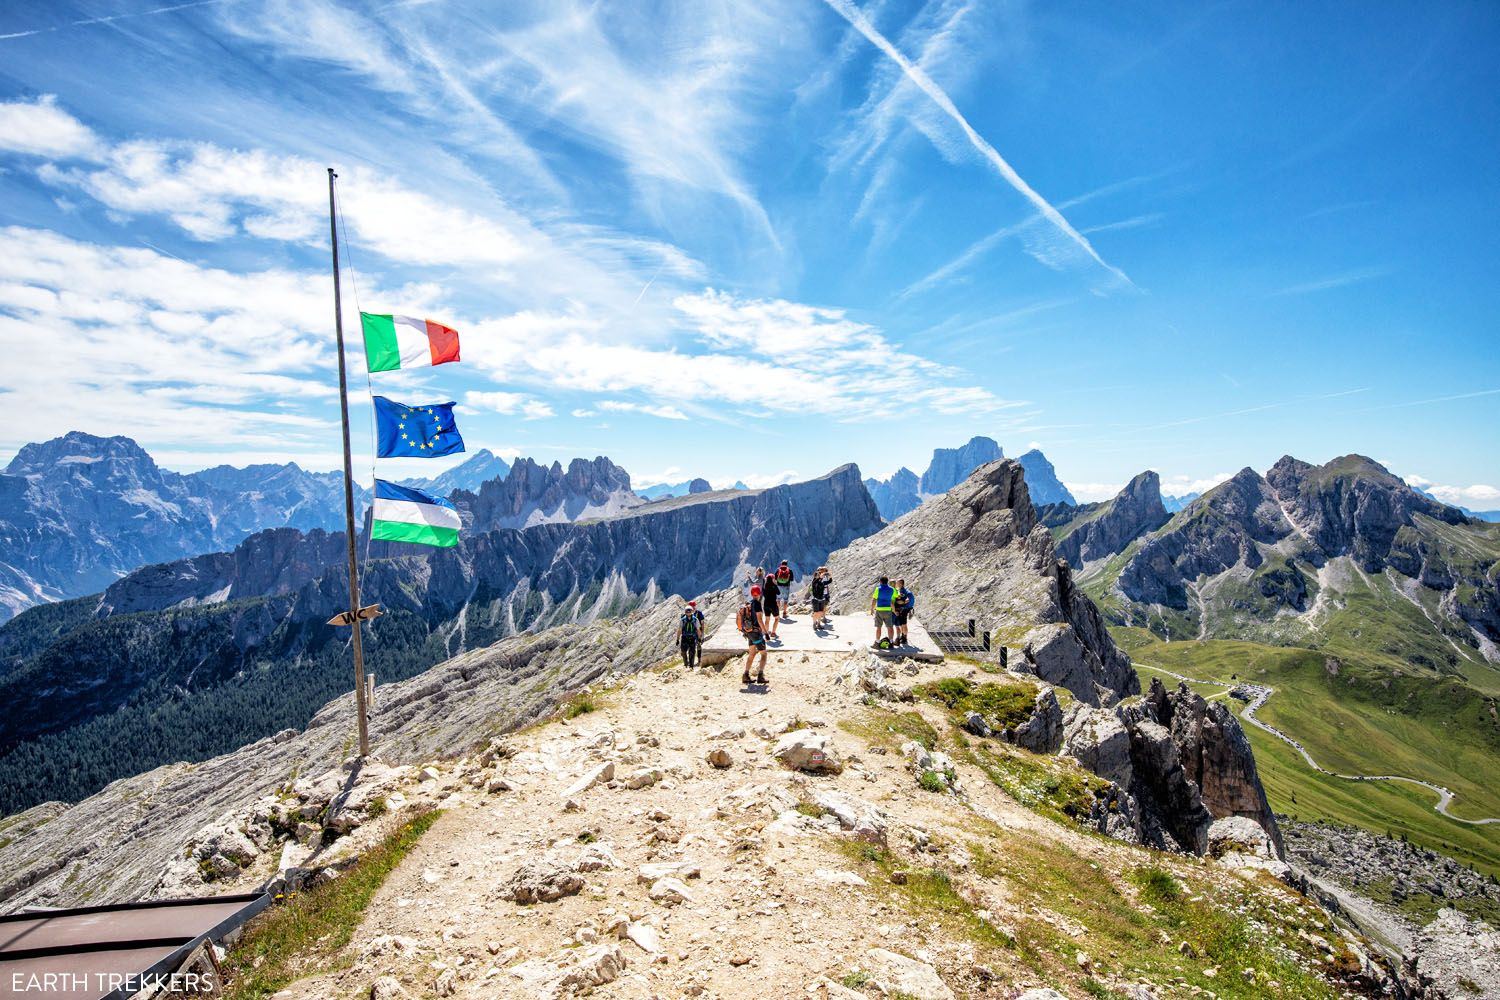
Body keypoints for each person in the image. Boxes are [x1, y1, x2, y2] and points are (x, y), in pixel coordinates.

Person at [738, 586, 769, 685]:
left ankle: (746, 675)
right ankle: (760, 676)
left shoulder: (749, 604)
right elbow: (760, 620)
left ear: (752, 594)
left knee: (751, 654)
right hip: (756, 633)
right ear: (759, 594)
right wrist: (766, 633)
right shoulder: (757, 604)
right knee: (764, 654)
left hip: (749, 633)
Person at [869, 575, 897, 649]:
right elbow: (891, 601)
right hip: (888, 610)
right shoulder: (892, 589)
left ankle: (877, 643)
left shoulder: (878, 589)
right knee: (890, 627)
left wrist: (872, 609)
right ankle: (891, 643)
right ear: (887, 582)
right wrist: (894, 610)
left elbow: (874, 600)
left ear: (880, 582)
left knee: (879, 627)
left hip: (879, 610)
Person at [677, 599, 704, 668]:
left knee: (697, 648)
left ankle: (697, 660)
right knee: (689, 650)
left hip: (694, 634)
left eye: (693, 606)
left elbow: (701, 625)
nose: (693, 607)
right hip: (691, 635)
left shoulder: (698, 615)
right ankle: (688, 663)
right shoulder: (685, 617)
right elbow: (680, 628)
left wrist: (700, 635)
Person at [809, 566, 832, 631]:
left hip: (821, 599)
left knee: (820, 612)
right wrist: (820, 576)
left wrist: (830, 575)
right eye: (819, 574)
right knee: (816, 612)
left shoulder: (822, 582)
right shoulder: (814, 582)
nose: (821, 575)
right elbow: (817, 581)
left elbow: (830, 581)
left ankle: (818, 624)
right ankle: (814, 624)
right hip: (815, 599)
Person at [892, 579, 914, 646]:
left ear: (901, 584)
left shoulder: (903, 592)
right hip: (903, 609)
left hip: (904, 609)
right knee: (901, 624)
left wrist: (902, 602)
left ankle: (905, 638)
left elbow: (904, 600)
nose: (896, 584)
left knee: (904, 624)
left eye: (897, 583)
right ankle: (903, 636)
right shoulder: (902, 590)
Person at [761, 569, 781, 639]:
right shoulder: (774, 586)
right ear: (773, 579)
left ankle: (766, 633)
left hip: (766, 604)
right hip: (773, 605)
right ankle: (773, 633)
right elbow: (779, 593)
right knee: (777, 618)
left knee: (767, 619)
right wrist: (775, 584)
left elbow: (763, 594)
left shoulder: (764, 586)